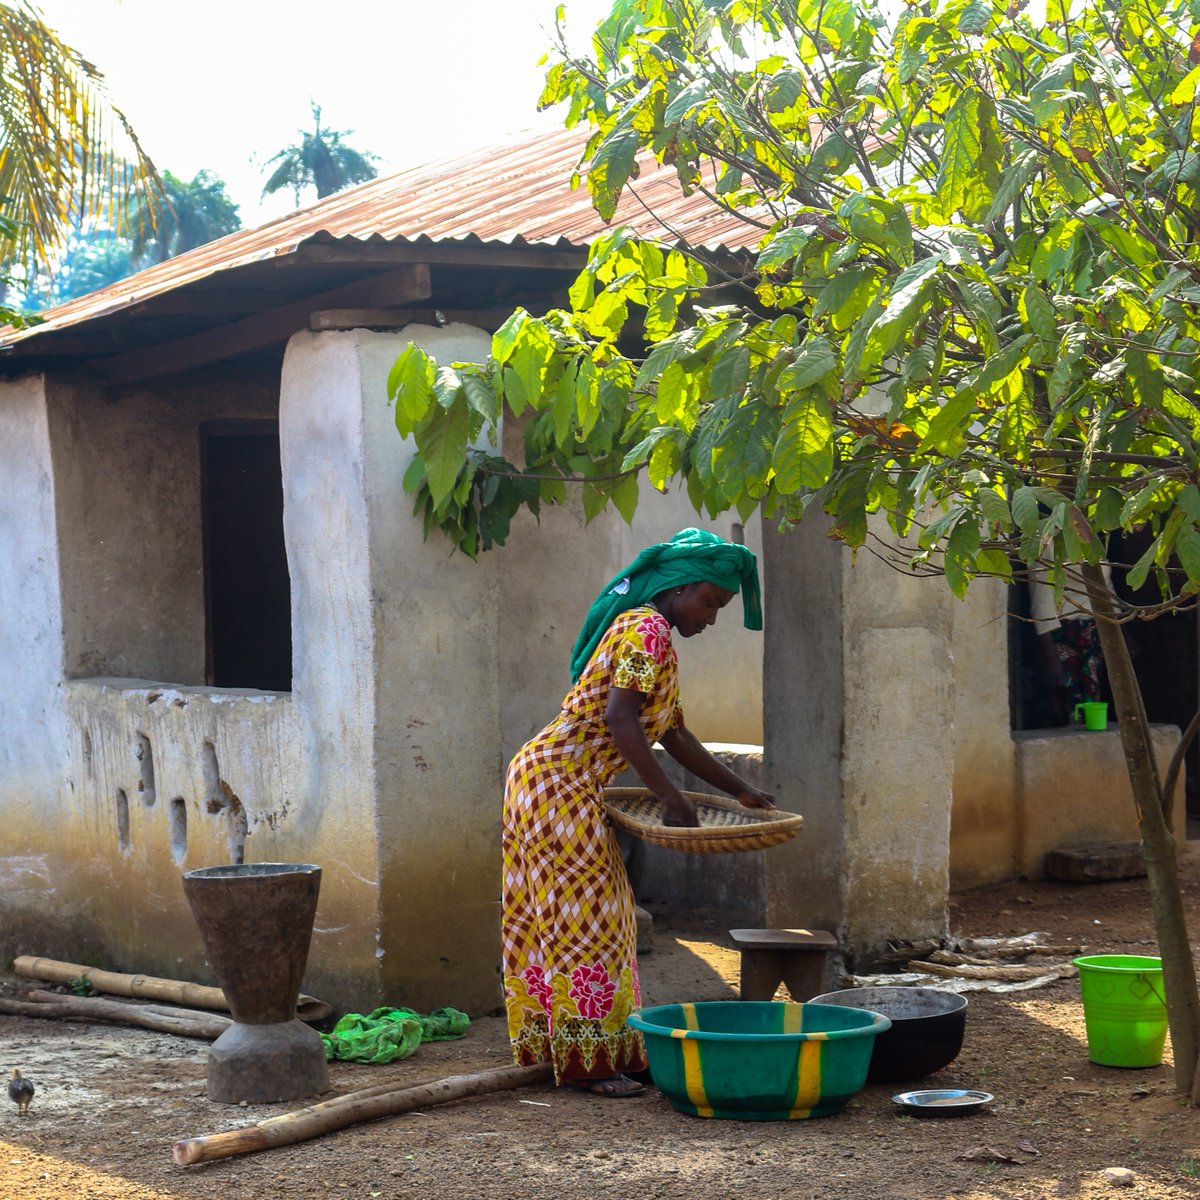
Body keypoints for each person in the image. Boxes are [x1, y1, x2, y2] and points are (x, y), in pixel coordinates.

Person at [501, 528, 776, 1097]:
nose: (712, 617)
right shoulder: (644, 630)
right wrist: (671, 797)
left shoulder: (654, 640)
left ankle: (588, 1050)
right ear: (678, 588)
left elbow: (674, 733)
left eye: (720, 606)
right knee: (587, 922)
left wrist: (739, 790)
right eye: (709, 602)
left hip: (556, 783)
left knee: (580, 918)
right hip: (556, 784)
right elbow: (619, 719)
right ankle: (591, 1064)